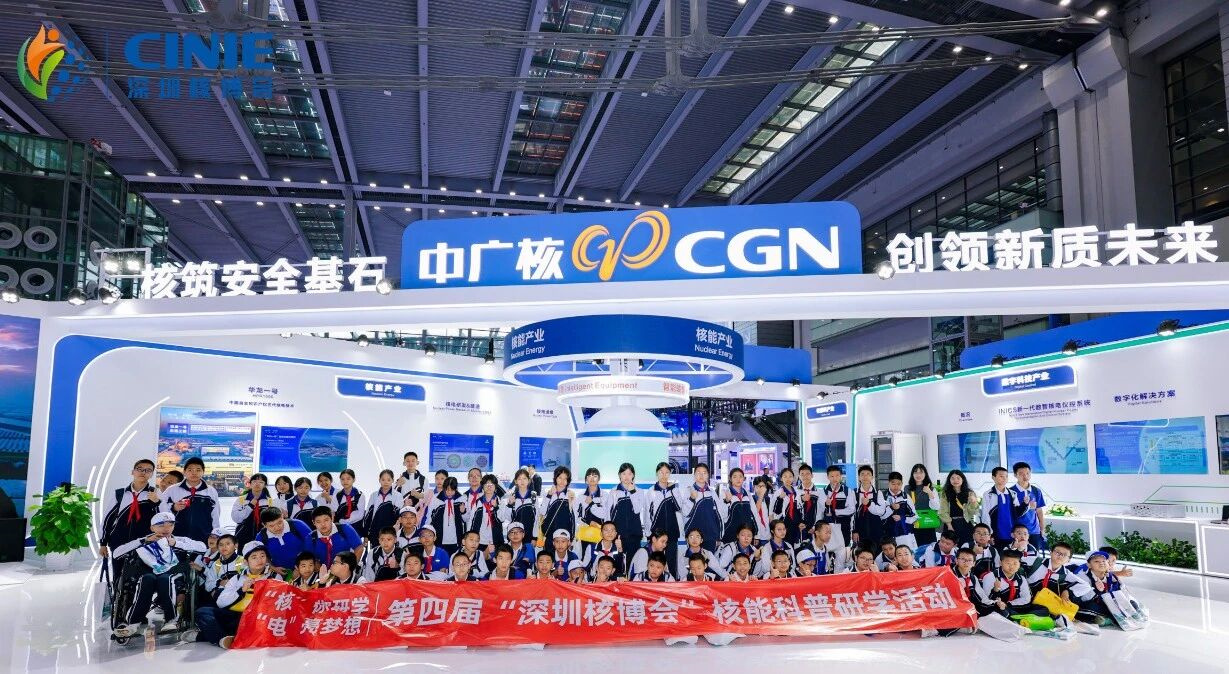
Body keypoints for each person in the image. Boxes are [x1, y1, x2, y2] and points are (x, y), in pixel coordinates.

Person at [111, 511, 207, 637]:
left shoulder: (179, 540)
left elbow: (203, 547)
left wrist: (176, 544)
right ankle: (133, 623)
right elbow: (116, 554)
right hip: (149, 574)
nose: (166, 529)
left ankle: (171, 619)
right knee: (147, 579)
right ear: (152, 528)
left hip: (173, 574)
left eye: (170, 525)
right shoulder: (145, 540)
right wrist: (144, 540)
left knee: (164, 579)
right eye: (161, 525)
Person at [191, 541, 274, 649]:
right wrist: (241, 591)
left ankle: (204, 636)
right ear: (246, 562)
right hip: (236, 618)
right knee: (202, 612)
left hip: (258, 620)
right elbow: (221, 602)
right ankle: (223, 639)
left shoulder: (274, 577)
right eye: (254, 557)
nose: (259, 560)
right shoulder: (237, 578)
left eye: (262, 556)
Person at [100, 458, 161, 576]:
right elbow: (108, 519)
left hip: (145, 541)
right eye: (140, 469)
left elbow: (163, 519)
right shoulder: (120, 494)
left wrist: (156, 503)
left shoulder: (155, 493)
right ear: (133, 472)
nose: (143, 472)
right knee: (118, 575)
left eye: (148, 470)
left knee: (142, 576)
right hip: (119, 541)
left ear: (152, 474)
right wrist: (103, 543)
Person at [160, 457, 221, 543]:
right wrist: (173, 507)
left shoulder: (211, 491)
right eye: (190, 470)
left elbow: (215, 515)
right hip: (177, 537)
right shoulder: (172, 490)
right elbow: (162, 508)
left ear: (203, 472)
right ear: (184, 472)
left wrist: (216, 534)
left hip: (203, 537)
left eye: (198, 470)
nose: (194, 473)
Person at [975, 548, 1045, 618]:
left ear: (1019, 564)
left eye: (1015, 563)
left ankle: (1019, 617)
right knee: (1000, 612)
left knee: (1043, 609)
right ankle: (1019, 618)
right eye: (1008, 563)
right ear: (1000, 563)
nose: (1011, 566)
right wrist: (995, 591)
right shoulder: (990, 577)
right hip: (998, 609)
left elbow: (1026, 598)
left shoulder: (1021, 579)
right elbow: (987, 601)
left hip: (1013, 607)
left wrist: (1008, 604)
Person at [1027, 542, 1092, 606]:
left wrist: (1068, 592)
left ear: (1069, 560)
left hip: (1046, 605)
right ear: (1051, 553)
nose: (1060, 556)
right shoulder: (1035, 562)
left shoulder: (1065, 574)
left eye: (1064, 555)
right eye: (1057, 552)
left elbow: (1086, 586)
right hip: (1026, 601)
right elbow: (1020, 560)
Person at [682, 462, 727, 554]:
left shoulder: (712, 493)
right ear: (694, 475)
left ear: (708, 475)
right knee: (694, 561)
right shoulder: (688, 491)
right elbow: (685, 513)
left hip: (711, 537)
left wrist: (719, 536)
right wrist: (691, 499)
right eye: (698, 472)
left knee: (709, 561)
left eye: (704, 473)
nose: (701, 475)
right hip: (694, 537)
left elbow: (719, 515)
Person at [255, 508, 312, 577]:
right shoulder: (261, 537)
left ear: (282, 517)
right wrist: (273, 568)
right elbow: (260, 557)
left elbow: (314, 546)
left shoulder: (298, 525)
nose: (277, 528)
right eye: (271, 526)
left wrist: (301, 568)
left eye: (279, 522)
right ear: (264, 525)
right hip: (280, 574)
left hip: (306, 569)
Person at [647, 462, 683, 567]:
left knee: (671, 563)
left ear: (670, 474)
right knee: (657, 562)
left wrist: (673, 489)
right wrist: (649, 533)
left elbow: (679, 507)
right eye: (661, 472)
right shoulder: (651, 491)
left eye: (667, 472)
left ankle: (671, 578)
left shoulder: (674, 490)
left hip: (672, 533)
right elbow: (647, 514)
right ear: (657, 473)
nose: (664, 475)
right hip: (657, 535)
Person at [821, 465, 856, 571]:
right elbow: (820, 510)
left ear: (841, 476)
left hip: (843, 528)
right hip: (827, 528)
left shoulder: (848, 491)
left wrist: (835, 512)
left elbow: (851, 509)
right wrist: (826, 505)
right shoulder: (823, 491)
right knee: (825, 556)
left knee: (841, 557)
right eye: (832, 476)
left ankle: (839, 577)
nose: (834, 478)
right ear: (828, 477)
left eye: (837, 475)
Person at [610, 462, 648, 553]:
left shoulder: (639, 491)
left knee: (633, 560)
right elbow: (609, 513)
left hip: (634, 534)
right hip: (618, 534)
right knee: (618, 559)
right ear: (619, 475)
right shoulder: (614, 491)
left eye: (629, 474)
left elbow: (637, 510)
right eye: (624, 474)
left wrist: (632, 492)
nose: (626, 476)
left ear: (633, 475)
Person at [1010, 462, 1047, 551]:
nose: (1025, 476)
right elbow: (1010, 513)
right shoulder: (1010, 492)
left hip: (1034, 531)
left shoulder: (1036, 491)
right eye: (1021, 474)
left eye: (1027, 473)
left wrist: (1042, 528)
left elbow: (1039, 511)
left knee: (1033, 555)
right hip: (1017, 532)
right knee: (1017, 556)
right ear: (1015, 475)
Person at [938, 469, 980, 546]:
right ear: (949, 480)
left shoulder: (969, 493)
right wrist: (949, 526)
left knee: (967, 546)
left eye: (958, 478)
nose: (955, 480)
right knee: (950, 547)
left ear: (962, 479)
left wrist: (974, 502)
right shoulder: (945, 493)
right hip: (951, 524)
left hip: (966, 524)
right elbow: (943, 511)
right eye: (952, 478)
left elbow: (973, 512)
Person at [231, 473, 273, 548]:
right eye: (254, 482)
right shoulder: (241, 499)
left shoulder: (269, 501)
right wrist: (250, 506)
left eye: (261, 482)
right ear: (250, 484)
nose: (257, 484)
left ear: (265, 485)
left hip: (264, 538)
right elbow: (236, 518)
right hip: (243, 538)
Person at [427, 476, 466, 554]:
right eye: (447, 490)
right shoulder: (436, 498)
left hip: (456, 539)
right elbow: (429, 516)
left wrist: (463, 512)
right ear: (444, 488)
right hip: (439, 538)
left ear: (456, 489)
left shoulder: (462, 499)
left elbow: (466, 519)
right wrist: (428, 530)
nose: (449, 492)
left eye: (452, 490)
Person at [851, 465, 886, 550]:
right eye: (862, 474)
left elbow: (881, 511)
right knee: (862, 553)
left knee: (877, 552)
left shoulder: (878, 493)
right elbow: (852, 514)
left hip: (876, 529)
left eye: (868, 474)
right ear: (859, 477)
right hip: (860, 530)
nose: (865, 476)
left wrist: (869, 504)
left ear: (872, 477)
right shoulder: (854, 493)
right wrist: (854, 531)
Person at [202, 533, 243, 604]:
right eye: (221, 545)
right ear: (218, 547)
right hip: (220, 600)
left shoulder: (243, 561)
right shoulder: (216, 564)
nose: (224, 547)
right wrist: (219, 582)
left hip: (240, 600)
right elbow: (207, 586)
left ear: (236, 545)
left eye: (228, 544)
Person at [467, 473, 505, 550]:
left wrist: (496, 507)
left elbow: (502, 519)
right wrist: (468, 536)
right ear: (482, 487)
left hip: (496, 539)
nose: (489, 486)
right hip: (480, 540)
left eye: (491, 484)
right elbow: (471, 520)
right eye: (486, 484)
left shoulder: (500, 502)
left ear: (495, 487)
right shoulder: (478, 502)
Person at [365, 469, 403, 544]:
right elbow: (368, 515)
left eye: (388, 480)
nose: (386, 482)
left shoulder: (398, 496)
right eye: (383, 480)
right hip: (375, 532)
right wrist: (366, 534)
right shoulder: (373, 495)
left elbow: (398, 517)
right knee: (376, 551)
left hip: (390, 533)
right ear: (379, 480)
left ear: (393, 481)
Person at [904, 463, 938, 548]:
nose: (918, 475)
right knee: (914, 550)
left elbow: (936, 507)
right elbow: (905, 506)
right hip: (913, 523)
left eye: (921, 472)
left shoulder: (931, 488)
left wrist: (929, 492)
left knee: (930, 549)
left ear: (925, 474)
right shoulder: (907, 488)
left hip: (928, 522)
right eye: (916, 472)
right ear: (912, 474)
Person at [575, 467, 608, 555]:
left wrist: (592, 503)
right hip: (585, 534)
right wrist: (589, 522)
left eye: (595, 476)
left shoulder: (605, 495)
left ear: (599, 479)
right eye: (589, 476)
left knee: (599, 558)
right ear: (586, 480)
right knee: (584, 557)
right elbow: (576, 516)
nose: (592, 478)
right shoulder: (580, 496)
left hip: (601, 534)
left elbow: (605, 514)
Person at [882, 471, 918, 550]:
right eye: (893, 483)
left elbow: (915, 516)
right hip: (887, 535)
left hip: (904, 534)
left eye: (898, 484)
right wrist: (891, 508)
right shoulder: (883, 496)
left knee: (906, 555)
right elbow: (880, 516)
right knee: (889, 556)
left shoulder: (905, 497)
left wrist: (902, 518)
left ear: (902, 484)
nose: (896, 486)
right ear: (888, 483)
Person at [502, 468, 540, 540]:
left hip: (529, 536)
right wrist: (509, 504)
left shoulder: (533, 496)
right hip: (514, 536)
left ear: (529, 480)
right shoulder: (513, 496)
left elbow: (536, 518)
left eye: (524, 478)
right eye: (519, 479)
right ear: (515, 481)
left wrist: (534, 537)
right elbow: (508, 518)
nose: (522, 481)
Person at [982, 466, 1015, 548]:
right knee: (997, 554)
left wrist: (1026, 504)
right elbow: (985, 515)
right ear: (993, 478)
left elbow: (1018, 513)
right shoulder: (988, 494)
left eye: (1006, 476)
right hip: (995, 533)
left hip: (1011, 533)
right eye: (1001, 476)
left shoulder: (1013, 494)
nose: (1004, 478)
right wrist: (989, 534)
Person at [540, 466, 576, 541]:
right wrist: (549, 495)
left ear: (568, 481)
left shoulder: (570, 495)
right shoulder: (548, 493)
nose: (562, 481)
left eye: (565, 478)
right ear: (555, 478)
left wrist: (572, 538)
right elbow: (542, 512)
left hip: (564, 536)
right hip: (549, 535)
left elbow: (574, 518)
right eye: (560, 478)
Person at [720, 467, 755, 544]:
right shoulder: (725, 493)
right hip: (730, 533)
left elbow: (754, 513)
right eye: (735, 477)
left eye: (740, 476)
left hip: (746, 533)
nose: (738, 479)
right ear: (730, 479)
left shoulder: (747, 494)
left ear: (743, 479)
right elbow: (722, 516)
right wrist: (726, 501)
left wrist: (756, 533)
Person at [770, 467, 803, 545]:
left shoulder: (797, 492)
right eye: (785, 476)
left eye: (790, 476)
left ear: (793, 478)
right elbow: (774, 511)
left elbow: (800, 509)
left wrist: (800, 522)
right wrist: (780, 499)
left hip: (795, 524)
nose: (788, 479)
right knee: (783, 545)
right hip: (783, 524)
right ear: (781, 478)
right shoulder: (778, 492)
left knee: (793, 546)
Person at [795, 464, 824, 537]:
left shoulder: (819, 492)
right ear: (799, 476)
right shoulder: (795, 491)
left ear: (812, 475)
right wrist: (797, 523)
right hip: (797, 528)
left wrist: (815, 527)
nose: (805, 476)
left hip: (814, 529)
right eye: (802, 474)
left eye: (807, 474)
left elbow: (820, 511)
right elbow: (792, 510)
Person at [750, 475, 774, 546]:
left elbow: (770, 517)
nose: (761, 488)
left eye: (763, 486)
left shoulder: (767, 499)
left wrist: (773, 533)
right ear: (754, 487)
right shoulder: (750, 499)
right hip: (757, 536)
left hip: (768, 536)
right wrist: (760, 496)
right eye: (759, 486)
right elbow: (754, 513)